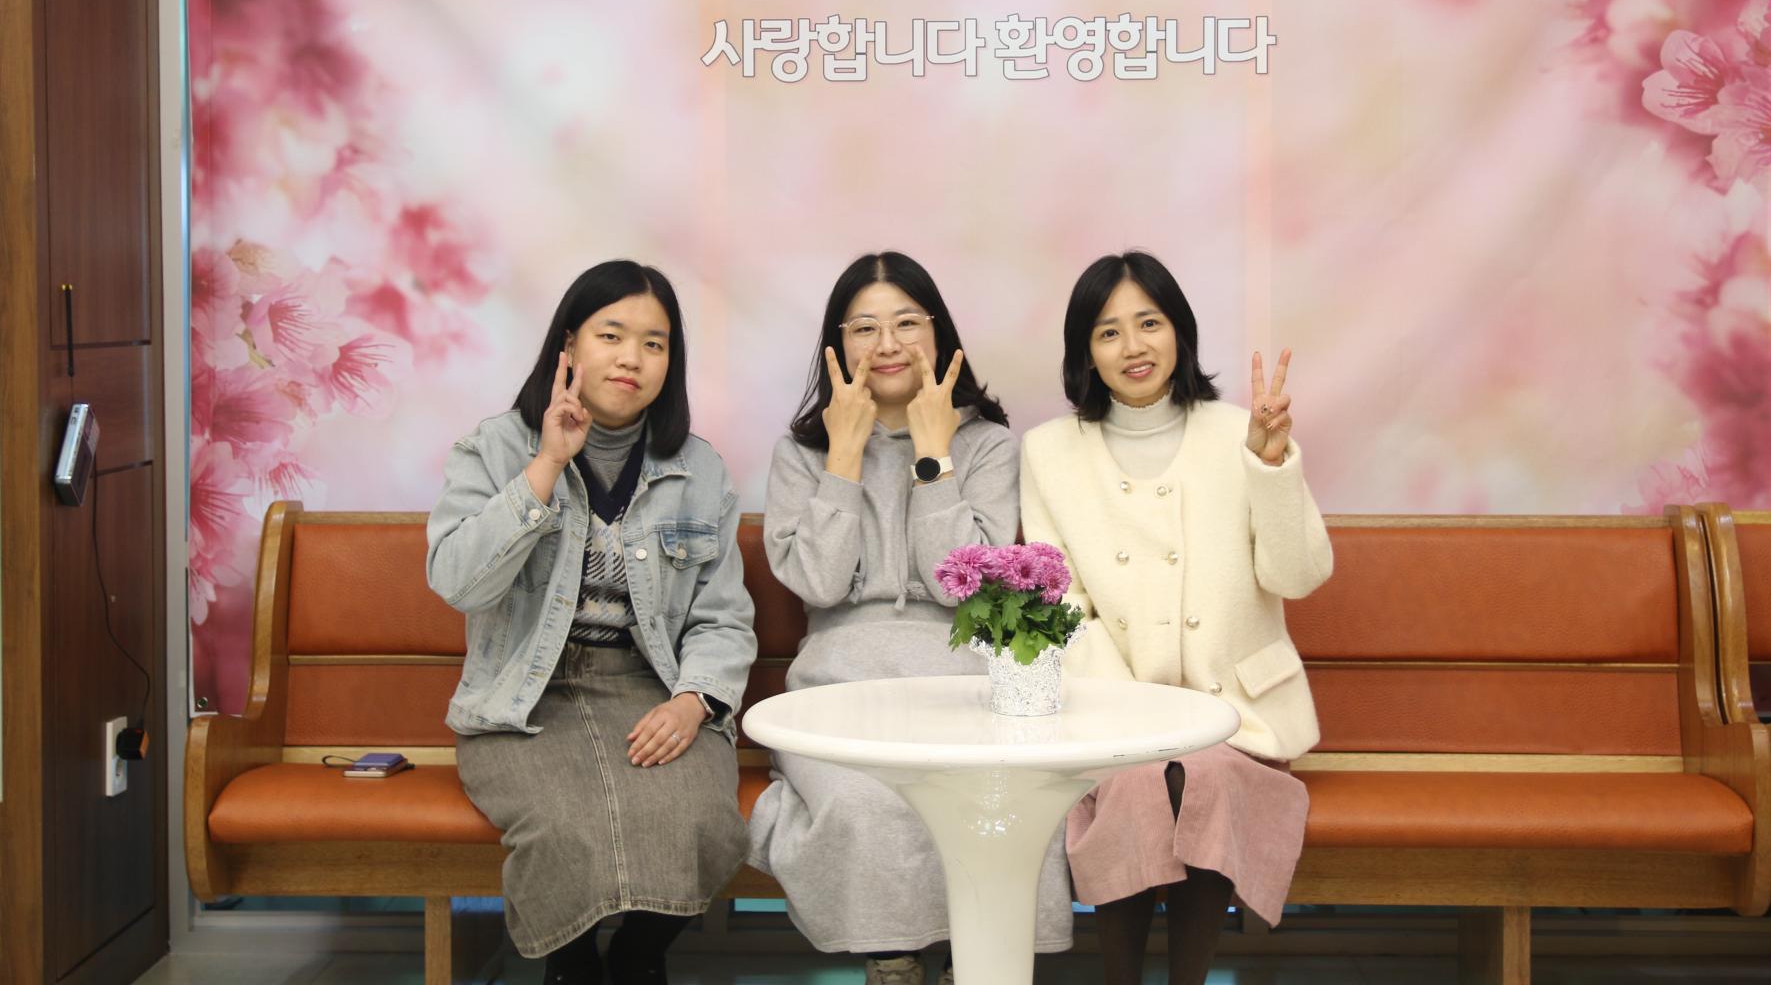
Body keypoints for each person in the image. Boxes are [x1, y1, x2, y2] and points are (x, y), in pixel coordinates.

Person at [748, 251, 1074, 985]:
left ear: (938, 333)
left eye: (905, 324)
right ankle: (891, 958)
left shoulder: (988, 445)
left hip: (963, 682)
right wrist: (844, 455)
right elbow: (819, 583)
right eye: (864, 328)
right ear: (837, 347)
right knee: (864, 803)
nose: (887, 345)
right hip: (838, 687)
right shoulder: (800, 453)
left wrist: (933, 454)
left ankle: (974, 960)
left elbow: (962, 589)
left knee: (995, 800)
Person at [427, 260, 756, 985]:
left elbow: (724, 616)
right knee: (564, 829)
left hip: (650, 686)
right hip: (524, 694)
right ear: (569, 345)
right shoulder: (494, 447)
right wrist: (547, 464)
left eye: (654, 343)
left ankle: (636, 960)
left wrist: (693, 700)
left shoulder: (699, 470)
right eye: (612, 335)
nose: (632, 358)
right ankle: (571, 967)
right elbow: (458, 583)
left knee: (703, 820)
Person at [1020, 250, 1332, 985]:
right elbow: (1062, 602)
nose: (1133, 346)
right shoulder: (1047, 451)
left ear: (1180, 332)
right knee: (1135, 782)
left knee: (1206, 777)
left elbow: (1298, 576)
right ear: (1084, 353)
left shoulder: (1242, 433)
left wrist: (1271, 468)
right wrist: (1132, 720)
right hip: (1113, 716)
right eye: (1108, 332)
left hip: (1241, 714)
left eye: (1149, 323)